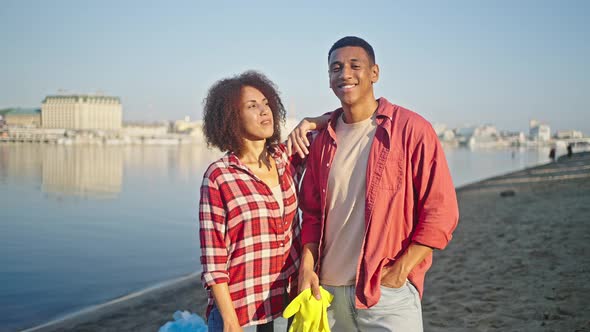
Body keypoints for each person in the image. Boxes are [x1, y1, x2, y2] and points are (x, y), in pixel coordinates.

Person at [297, 36, 460, 331]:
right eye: (335, 68)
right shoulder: (321, 140)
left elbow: (441, 210)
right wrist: (307, 267)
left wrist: (402, 270)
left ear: (374, 73)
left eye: (354, 65)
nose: (344, 73)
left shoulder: (411, 130)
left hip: (385, 293)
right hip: (328, 295)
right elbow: (311, 213)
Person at [199, 71, 327, 331]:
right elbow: (213, 261)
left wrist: (308, 122)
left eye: (266, 104)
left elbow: (337, 121)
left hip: (285, 305)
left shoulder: (287, 157)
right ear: (231, 118)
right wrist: (230, 320)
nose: (264, 111)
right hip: (239, 312)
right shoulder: (219, 176)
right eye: (252, 106)